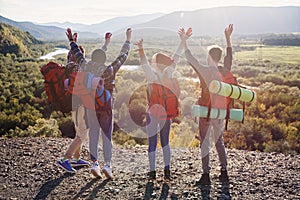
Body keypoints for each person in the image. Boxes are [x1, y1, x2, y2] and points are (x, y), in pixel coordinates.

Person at [66, 28, 132, 179]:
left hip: (90, 106)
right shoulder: (109, 70)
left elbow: (78, 55)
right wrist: (128, 39)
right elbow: (123, 56)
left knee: (94, 135)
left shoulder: (86, 66)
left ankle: (95, 163)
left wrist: (72, 41)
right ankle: (107, 165)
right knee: (107, 136)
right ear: (103, 58)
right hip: (106, 108)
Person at [179, 24, 234, 185]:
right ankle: (224, 170)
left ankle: (206, 174)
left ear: (209, 57)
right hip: (220, 113)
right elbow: (230, 56)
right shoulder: (225, 70)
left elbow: (190, 58)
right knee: (219, 141)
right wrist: (228, 38)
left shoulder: (205, 70)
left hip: (205, 112)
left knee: (204, 142)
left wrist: (184, 41)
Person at [135, 36, 182, 180]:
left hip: (152, 113)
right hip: (166, 114)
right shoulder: (169, 72)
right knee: (166, 143)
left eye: (154, 60)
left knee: (152, 143)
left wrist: (141, 49)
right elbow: (176, 58)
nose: (152, 62)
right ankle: (167, 171)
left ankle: (152, 172)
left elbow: (144, 63)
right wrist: (182, 41)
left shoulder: (151, 74)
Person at [57, 32, 90, 174]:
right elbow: (79, 55)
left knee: (79, 132)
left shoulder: (69, 67)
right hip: (81, 104)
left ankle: (76, 159)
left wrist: (73, 42)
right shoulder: (81, 67)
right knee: (82, 134)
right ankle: (65, 159)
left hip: (73, 104)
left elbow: (74, 54)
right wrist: (72, 41)